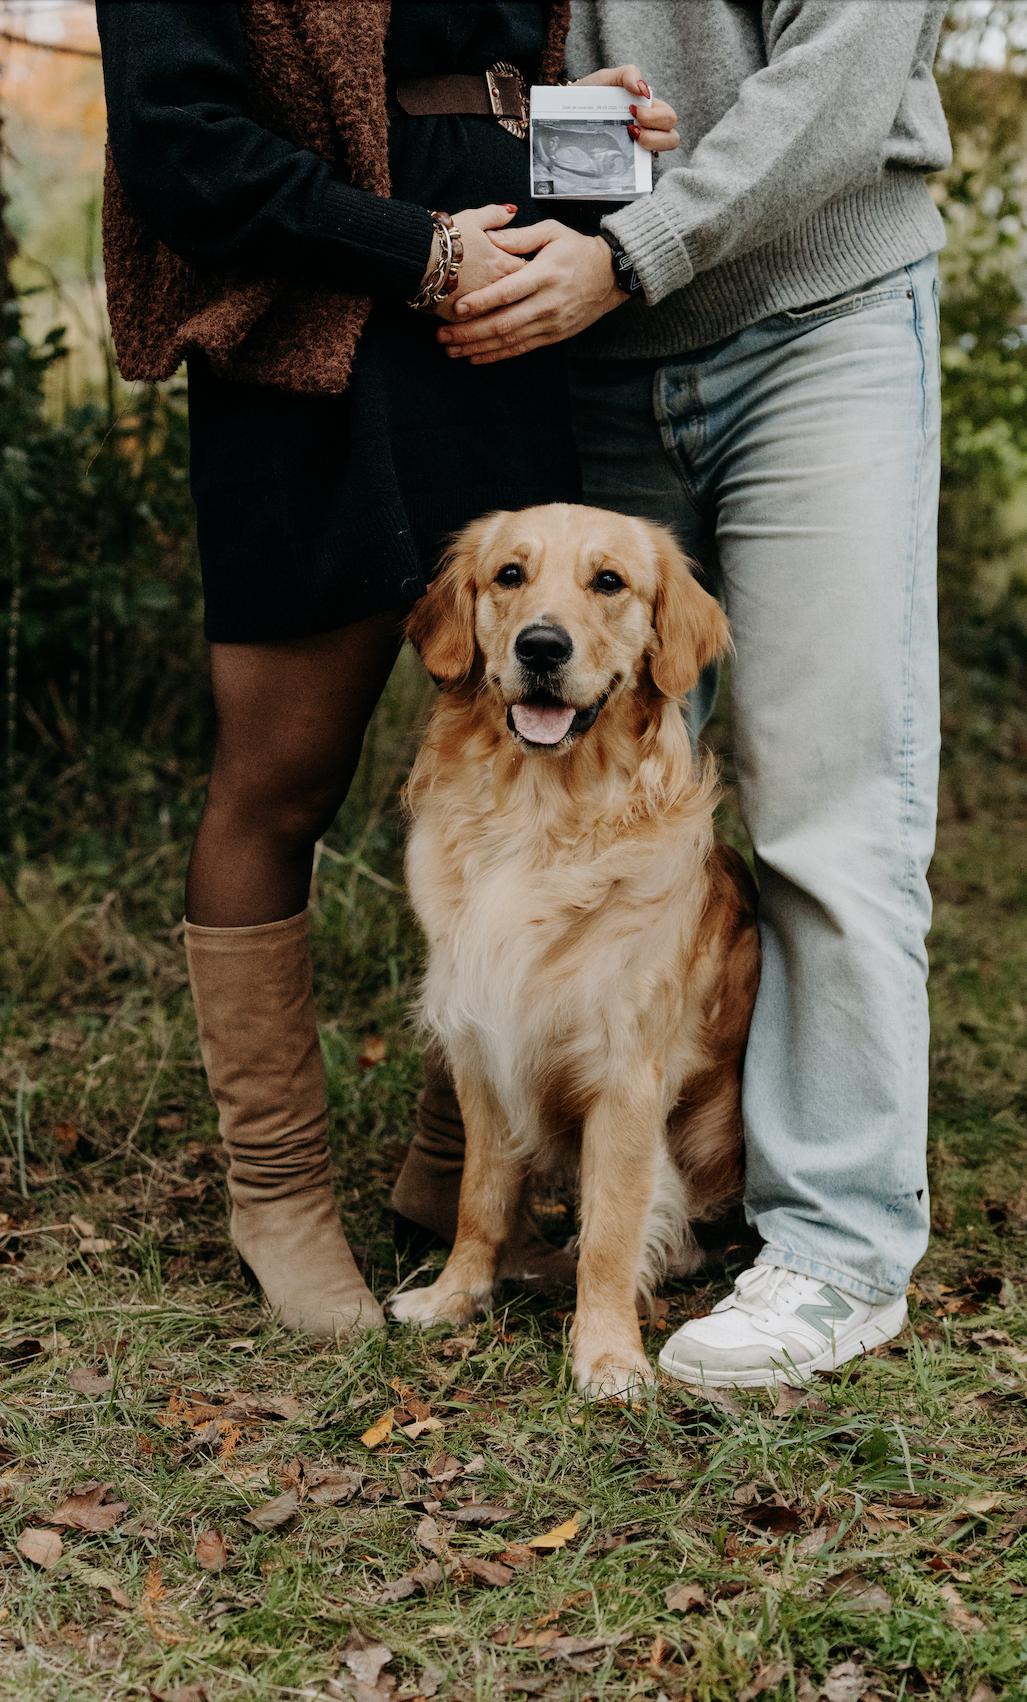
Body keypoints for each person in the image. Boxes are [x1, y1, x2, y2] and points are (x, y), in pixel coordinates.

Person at [96, 1, 679, 1338]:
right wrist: (416, 253)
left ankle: (458, 1179)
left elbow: (493, 81)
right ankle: (281, 1194)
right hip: (311, 332)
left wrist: (606, 149)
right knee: (280, 778)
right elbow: (182, 145)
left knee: (517, 758)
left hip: (500, 335)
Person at [405, 0, 952, 1386]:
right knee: (575, 809)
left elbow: (847, 70)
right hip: (595, 349)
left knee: (828, 805)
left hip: (812, 314)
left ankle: (833, 1248)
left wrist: (635, 247)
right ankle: (537, 1209)